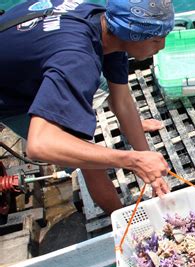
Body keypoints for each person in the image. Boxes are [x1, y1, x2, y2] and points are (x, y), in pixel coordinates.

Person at [0, 0, 175, 214]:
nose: (162, 46)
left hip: (38, 54)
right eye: (156, 40)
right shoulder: (78, 60)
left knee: (99, 88)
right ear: (131, 34)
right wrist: (132, 160)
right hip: (12, 93)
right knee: (88, 158)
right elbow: (40, 145)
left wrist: (147, 159)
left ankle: (126, 129)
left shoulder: (106, 23)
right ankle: (117, 218)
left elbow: (122, 101)